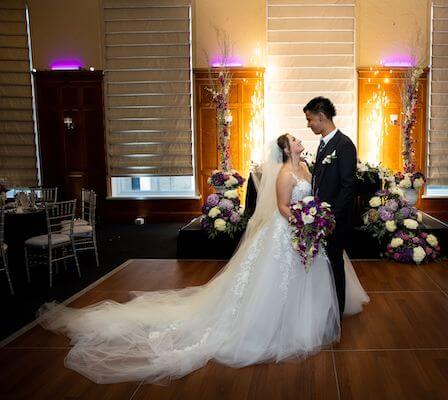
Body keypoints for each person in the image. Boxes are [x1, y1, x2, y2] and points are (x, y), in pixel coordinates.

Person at [38, 134, 368, 384]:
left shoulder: (307, 168)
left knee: (309, 276)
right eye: (295, 140)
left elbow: (313, 196)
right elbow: (283, 208)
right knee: (274, 284)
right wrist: (302, 218)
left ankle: (305, 320)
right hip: (287, 234)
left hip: (306, 234)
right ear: (287, 149)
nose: (300, 141)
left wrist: (315, 216)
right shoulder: (283, 174)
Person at [304, 97, 357, 316]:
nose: (308, 124)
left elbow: (348, 186)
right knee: (325, 264)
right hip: (322, 217)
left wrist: (330, 217)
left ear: (321, 117)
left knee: (335, 264)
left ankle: (338, 312)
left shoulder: (344, 145)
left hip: (335, 220)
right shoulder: (324, 143)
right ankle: (327, 307)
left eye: (310, 119)